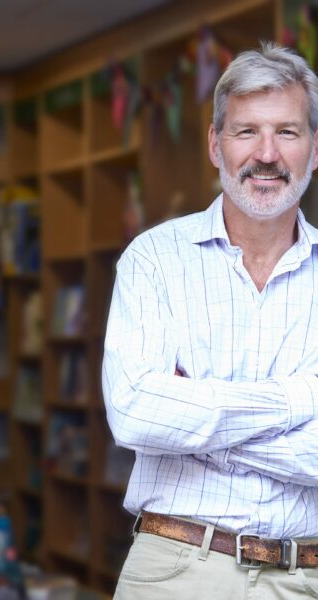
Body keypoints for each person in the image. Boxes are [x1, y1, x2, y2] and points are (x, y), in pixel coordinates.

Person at [102, 42, 318, 599]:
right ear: (214, 145)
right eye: (246, 131)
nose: (266, 153)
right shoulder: (154, 259)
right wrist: (299, 401)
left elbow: (162, 418)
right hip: (174, 569)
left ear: (315, 150)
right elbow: (134, 416)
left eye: (288, 132)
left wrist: (191, 418)